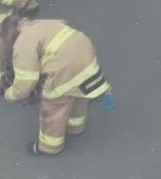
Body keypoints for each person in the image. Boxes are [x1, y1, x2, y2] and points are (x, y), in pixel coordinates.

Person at [6, 16, 112, 156]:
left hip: (65, 68)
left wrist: (11, 94)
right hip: (85, 55)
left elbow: (26, 82)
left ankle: (49, 146)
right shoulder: (43, 23)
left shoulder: (22, 43)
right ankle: (75, 127)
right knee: (79, 92)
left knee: (54, 107)